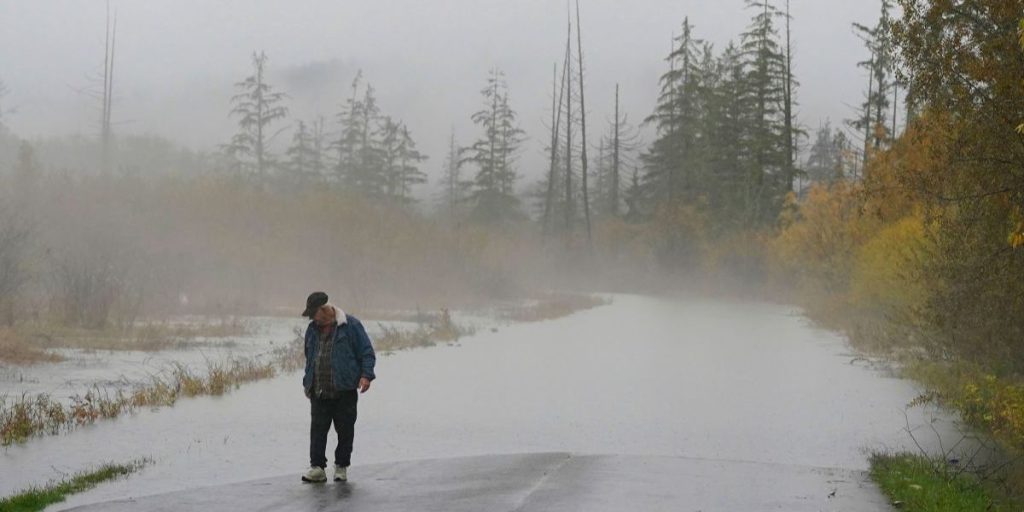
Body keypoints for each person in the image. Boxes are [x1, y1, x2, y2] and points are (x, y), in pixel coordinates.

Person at [300, 291, 376, 483]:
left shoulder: (351, 326)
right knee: (317, 430)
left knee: (345, 430)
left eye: (313, 313)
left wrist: (366, 375)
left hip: (345, 390)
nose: (312, 319)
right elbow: (309, 357)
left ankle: (341, 467)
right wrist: (307, 382)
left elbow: (367, 352)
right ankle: (317, 467)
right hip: (319, 390)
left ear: (324, 310)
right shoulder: (312, 329)